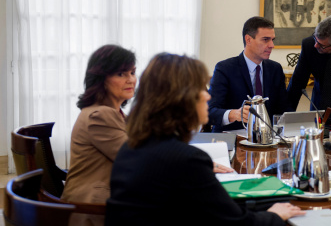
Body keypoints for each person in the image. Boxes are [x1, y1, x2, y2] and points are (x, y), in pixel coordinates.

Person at [105, 53, 305, 225]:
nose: (208, 96)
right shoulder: (186, 160)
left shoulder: (131, 147)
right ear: (182, 99)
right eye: (202, 89)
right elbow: (236, 223)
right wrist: (275, 215)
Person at [61, 45, 136, 225]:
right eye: (121, 74)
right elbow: (137, 157)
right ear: (101, 79)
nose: (131, 80)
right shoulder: (100, 115)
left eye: (132, 72)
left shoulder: (113, 112)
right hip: (92, 209)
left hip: (105, 200)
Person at [208, 16, 290, 132]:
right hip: (231, 140)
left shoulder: (275, 69)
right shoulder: (225, 69)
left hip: (267, 140)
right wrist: (234, 114)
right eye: (266, 39)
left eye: (272, 40)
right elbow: (210, 111)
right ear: (248, 40)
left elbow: (283, 110)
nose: (272, 45)